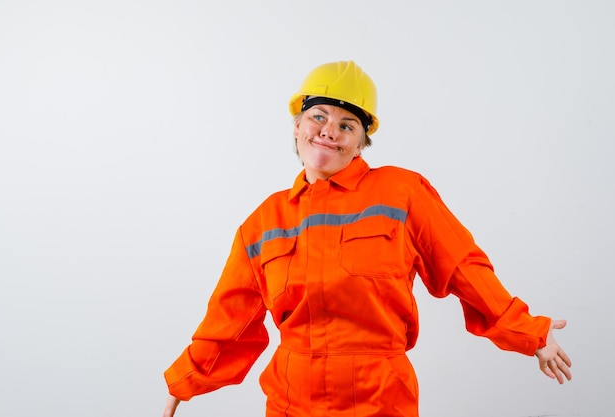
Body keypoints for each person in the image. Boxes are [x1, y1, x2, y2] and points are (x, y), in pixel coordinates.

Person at [162, 60, 572, 417]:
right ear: (297, 126)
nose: (329, 131)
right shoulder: (264, 221)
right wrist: (184, 380)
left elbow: (463, 265)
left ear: (361, 142)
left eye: (347, 125)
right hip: (290, 401)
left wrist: (526, 331)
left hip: (380, 399)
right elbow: (230, 318)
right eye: (318, 117)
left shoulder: (401, 192)